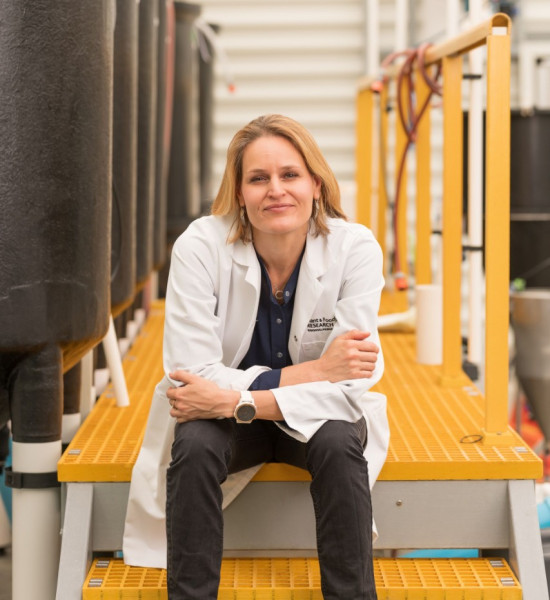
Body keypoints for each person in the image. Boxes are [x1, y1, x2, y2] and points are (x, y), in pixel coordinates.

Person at [123, 114, 389, 599]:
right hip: (228, 424)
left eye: (290, 175)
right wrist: (316, 371)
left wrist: (234, 402)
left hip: (295, 418)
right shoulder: (200, 246)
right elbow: (191, 373)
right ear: (239, 191)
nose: (276, 191)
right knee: (196, 444)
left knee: (338, 442)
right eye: (258, 178)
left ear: (316, 183)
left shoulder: (354, 249)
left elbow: (350, 382)